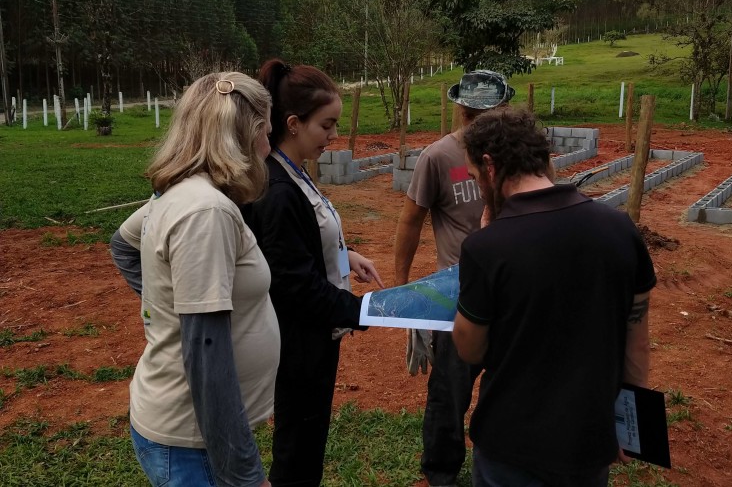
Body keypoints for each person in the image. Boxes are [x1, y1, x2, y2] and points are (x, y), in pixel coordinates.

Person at [453, 107, 656, 486]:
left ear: (489, 165)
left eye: (476, 176)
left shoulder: (487, 247)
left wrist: (484, 241)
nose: (478, 184)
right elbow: (638, 343)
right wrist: (630, 427)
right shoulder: (620, 229)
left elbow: (470, 349)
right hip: (589, 441)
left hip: (511, 444)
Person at [110, 71, 279, 487]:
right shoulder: (206, 212)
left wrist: (169, 307)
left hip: (196, 435)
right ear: (247, 133)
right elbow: (206, 356)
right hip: (194, 439)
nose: (269, 147)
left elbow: (123, 243)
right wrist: (245, 474)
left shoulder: (182, 193)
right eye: (266, 133)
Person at [241, 58, 384, 487]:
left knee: (306, 443)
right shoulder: (279, 190)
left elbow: (305, 249)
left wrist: (345, 258)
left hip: (314, 337)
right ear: (293, 123)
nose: (334, 136)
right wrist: (360, 311)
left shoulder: (294, 172)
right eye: (327, 125)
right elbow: (292, 282)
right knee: (298, 451)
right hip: (299, 343)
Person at [393, 70, 514, 487]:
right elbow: (411, 222)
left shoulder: (513, 156)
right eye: (475, 115)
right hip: (458, 297)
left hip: (512, 291)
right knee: (450, 392)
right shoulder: (438, 157)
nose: (482, 122)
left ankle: (500, 464)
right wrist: (404, 293)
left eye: (492, 113)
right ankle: (441, 472)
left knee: (508, 386)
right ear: (462, 111)